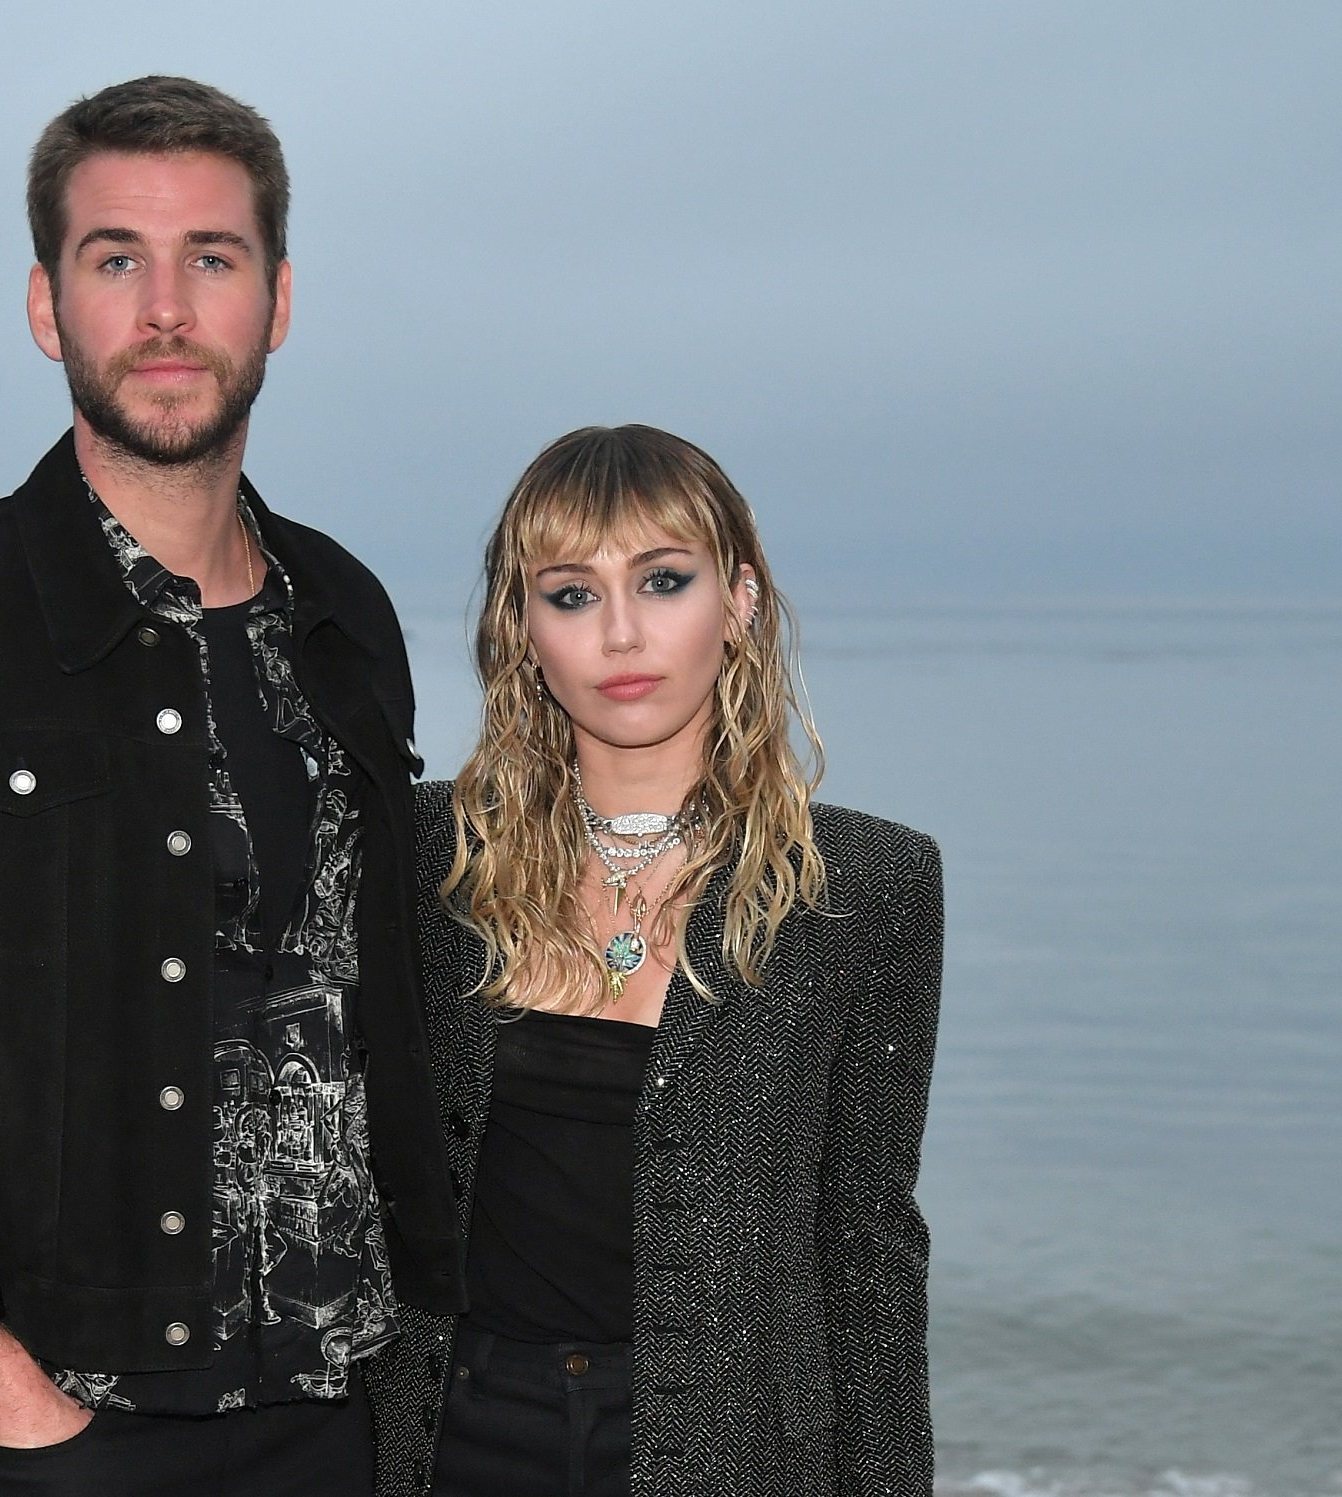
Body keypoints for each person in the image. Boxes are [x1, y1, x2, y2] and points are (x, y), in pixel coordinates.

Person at [0, 76, 463, 1496]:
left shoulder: (347, 615)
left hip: (338, 1423)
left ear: (281, 299)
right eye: (115, 258)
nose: (168, 309)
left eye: (214, 258)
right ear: (44, 304)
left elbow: (381, 999)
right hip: (49, 1438)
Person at [367, 425, 944, 1497]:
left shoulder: (865, 885)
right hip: (447, 1441)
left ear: (739, 601)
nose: (619, 634)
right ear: (521, 628)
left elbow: (864, 1243)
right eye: (571, 594)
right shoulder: (418, 858)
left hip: (738, 1453)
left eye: (662, 581)